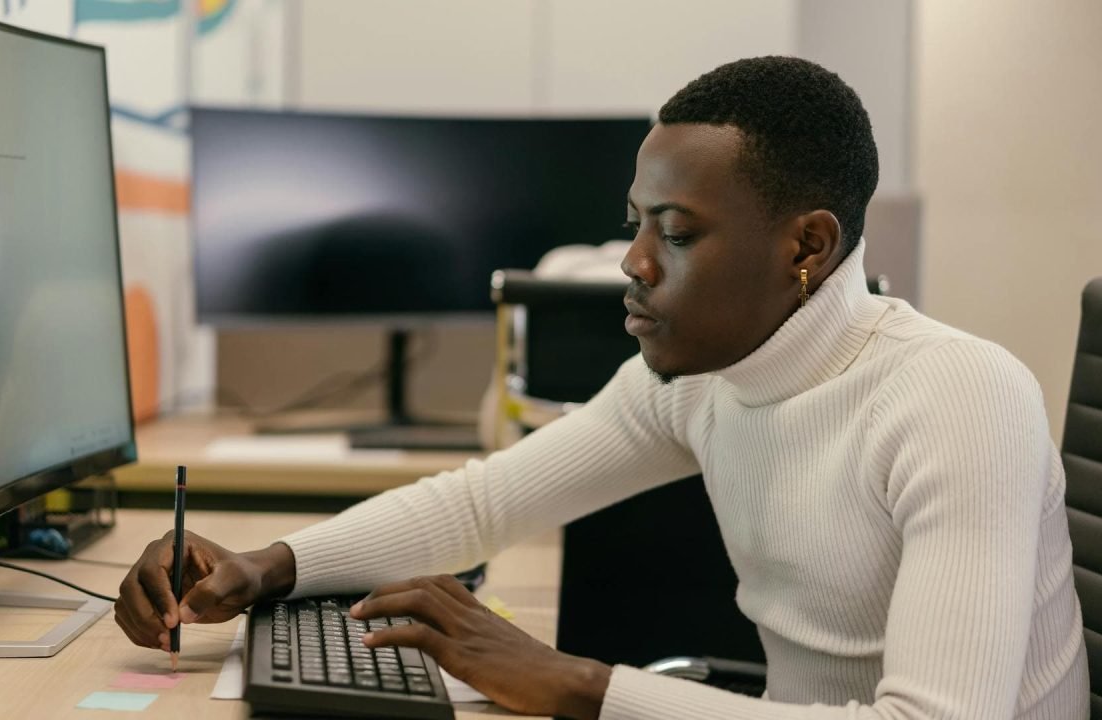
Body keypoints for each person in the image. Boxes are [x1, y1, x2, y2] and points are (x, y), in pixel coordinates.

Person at [114, 56, 1087, 719]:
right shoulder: (698, 377)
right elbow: (482, 502)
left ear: (806, 246)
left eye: (674, 231)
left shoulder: (956, 398)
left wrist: (575, 686)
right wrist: (263, 567)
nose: (630, 262)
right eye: (633, 223)